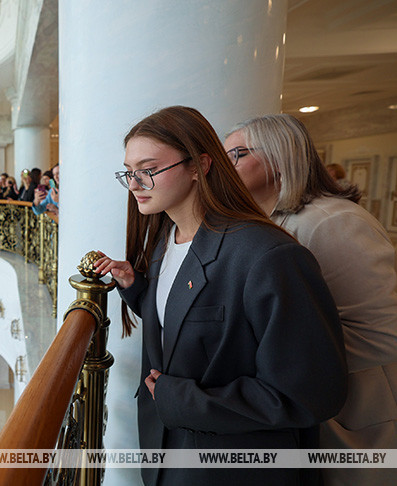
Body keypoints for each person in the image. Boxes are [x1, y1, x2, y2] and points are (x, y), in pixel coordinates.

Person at [93, 106, 347, 486]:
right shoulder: (168, 239)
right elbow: (192, 323)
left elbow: (311, 394)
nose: (135, 183)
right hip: (169, 454)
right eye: (129, 172)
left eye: (148, 169)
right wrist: (137, 290)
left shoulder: (269, 256)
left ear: (199, 165)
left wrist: (180, 399)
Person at [225, 114, 397, 486]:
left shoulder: (331, 221)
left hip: (355, 416)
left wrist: (281, 362)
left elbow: (386, 333)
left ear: (279, 156)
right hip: (305, 411)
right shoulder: (267, 221)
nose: (224, 166)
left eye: (237, 154)